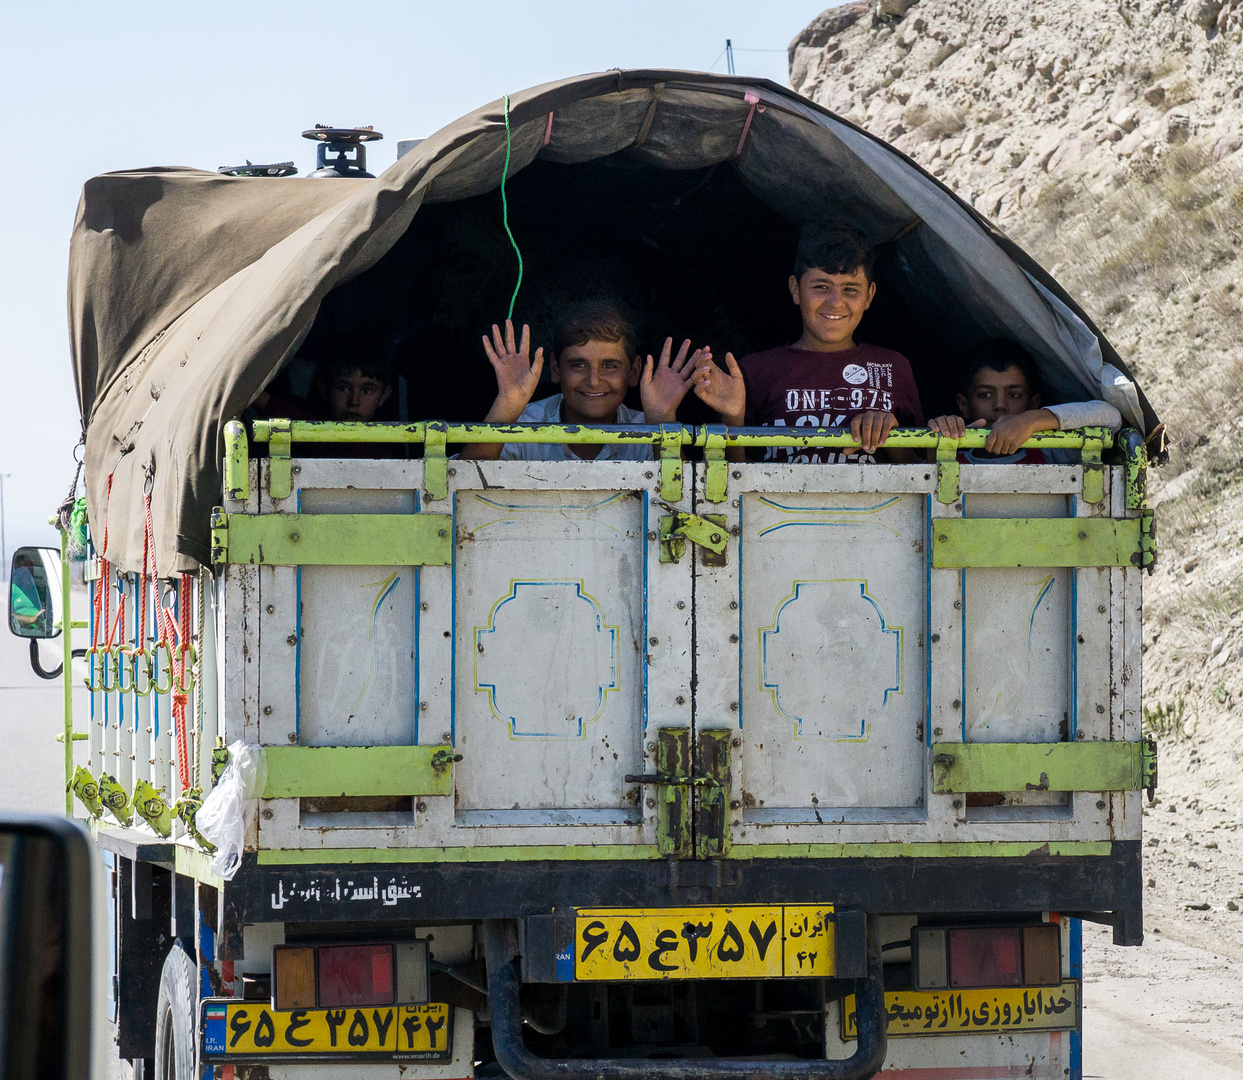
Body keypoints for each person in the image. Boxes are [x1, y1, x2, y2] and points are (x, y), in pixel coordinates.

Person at [690, 223, 924, 462]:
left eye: (850, 289)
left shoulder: (893, 367)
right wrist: (733, 418)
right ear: (795, 289)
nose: (835, 302)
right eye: (821, 287)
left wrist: (893, 438)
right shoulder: (754, 371)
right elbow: (729, 481)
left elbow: (925, 474)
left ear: (869, 295)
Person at [461, 301, 703, 461]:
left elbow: (678, 502)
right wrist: (508, 403)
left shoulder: (648, 431)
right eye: (578, 365)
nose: (594, 380)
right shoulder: (522, 424)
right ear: (555, 368)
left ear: (633, 371)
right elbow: (461, 489)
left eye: (609, 366)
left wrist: (662, 419)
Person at [926, 340, 1122, 463]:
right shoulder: (951, 462)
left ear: (1032, 403)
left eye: (1014, 395)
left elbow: (1111, 417)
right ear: (964, 405)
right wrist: (939, 439)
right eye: (985, 394)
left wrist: (1033, 421)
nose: (1000, 405)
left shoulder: (1053, 453)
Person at [254, 355, 395, 423]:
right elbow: (293, 414)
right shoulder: (312, 417)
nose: (354, 402)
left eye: (366, 391)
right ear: (323, 388)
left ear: (384, 395)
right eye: (342, 388)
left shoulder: (392, 436)